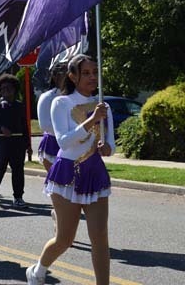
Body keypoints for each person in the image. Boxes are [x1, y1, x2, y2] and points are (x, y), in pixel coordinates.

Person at [26, 54, 115, 285]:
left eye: (95, 72)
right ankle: (37, 271)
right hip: (66, 173)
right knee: (65, 239)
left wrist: (106, 148)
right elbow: (64, 141)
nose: (92, 77)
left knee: (100, 238)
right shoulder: (61, 103)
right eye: (86, 73)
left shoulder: (103, 105)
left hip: (94, 172)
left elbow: (110, 145)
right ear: (73, 76)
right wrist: (91, 120)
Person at [0, 73, 32, 208]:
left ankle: (18, 197)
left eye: (9, 88)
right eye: (3, 88)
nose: (6, 91)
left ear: (14, 89)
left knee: (18, 170)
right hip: (2, 143)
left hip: (18, 143)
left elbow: (25, 126)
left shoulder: (19, 106)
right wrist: (0, 129)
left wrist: (28, 145)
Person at [36, 62, 68, 227]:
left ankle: (63, 218)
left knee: (70, 186)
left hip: (72, 144)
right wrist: (67, 132)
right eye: (64, 73)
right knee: (58, 184)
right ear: (55, 77)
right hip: (53, 144)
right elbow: (45, 124)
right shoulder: (48, 97)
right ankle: (60, 218)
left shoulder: (73, 97)